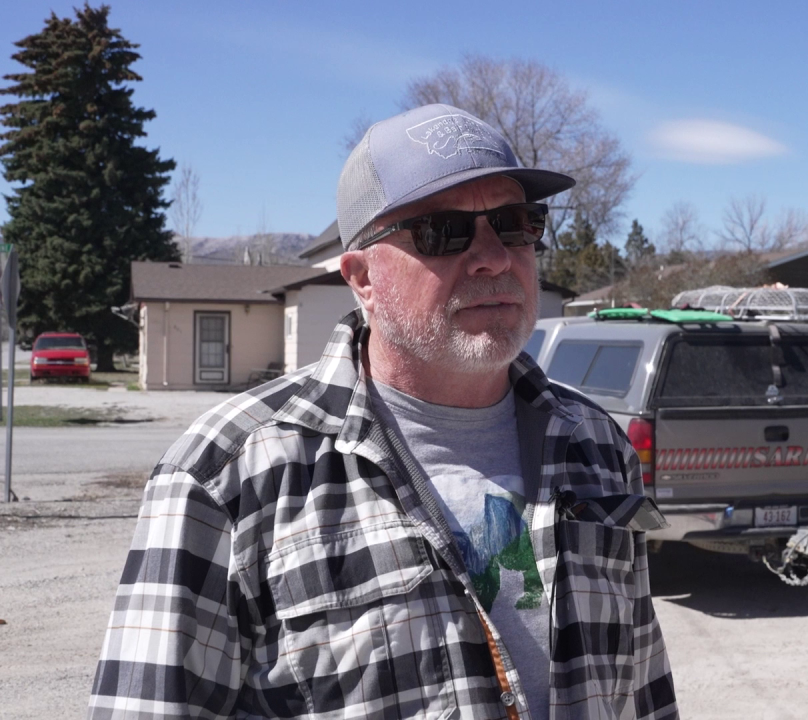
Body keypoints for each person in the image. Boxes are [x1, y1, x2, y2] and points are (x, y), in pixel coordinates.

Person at [87, 104, 679, 720]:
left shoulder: (598, 449)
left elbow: (644, 692)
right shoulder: (224, 477)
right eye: (442, 232)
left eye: (513, 224)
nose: (494, 258)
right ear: (362, 278)